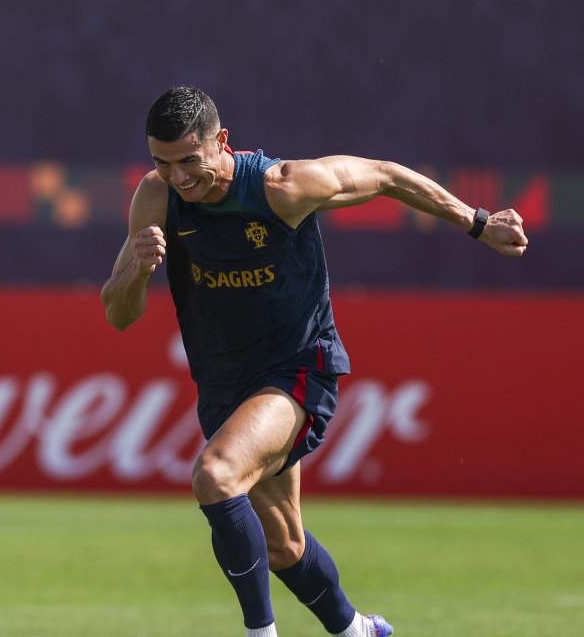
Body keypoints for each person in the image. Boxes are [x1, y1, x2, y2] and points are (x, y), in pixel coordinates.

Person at [100, 86, 528, 637]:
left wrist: (477, 221)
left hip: (298, 369)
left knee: (216, 475)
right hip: (224, 383)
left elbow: (385, 176)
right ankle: (359, 631)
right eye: (163, 162)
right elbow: (118, 314)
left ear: (221, 141)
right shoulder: (156, 197)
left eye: (189, 160)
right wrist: (137, 271)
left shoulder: (281, 187)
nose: (178, 176)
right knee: (284, 545)